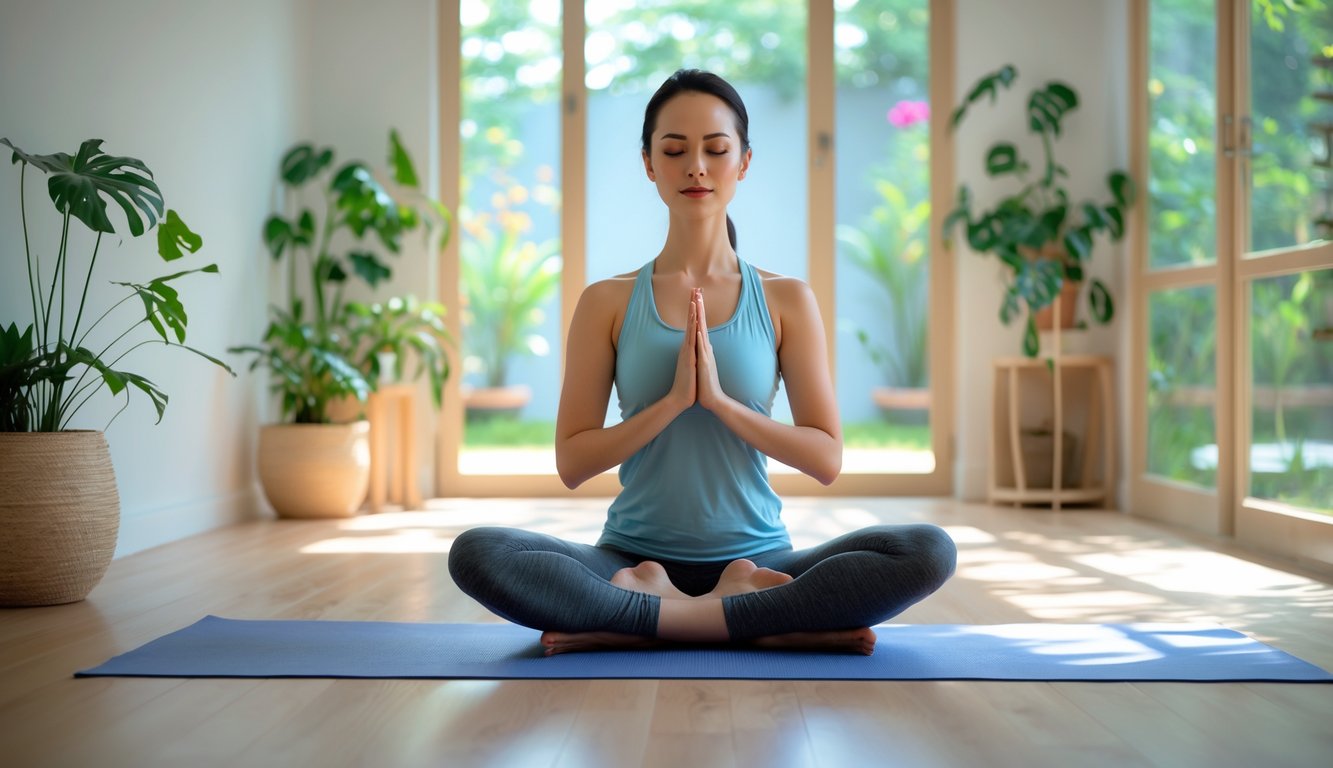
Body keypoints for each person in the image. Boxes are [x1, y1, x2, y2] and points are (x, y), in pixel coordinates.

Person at [449, 69, 956, 656]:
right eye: (674, 150)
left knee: (927, 550)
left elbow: (825, 457)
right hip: (628, 559)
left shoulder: (787, 298)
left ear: (742, 162)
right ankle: (747, 617)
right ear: (649, 163)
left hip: (759, 559)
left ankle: (645, 617)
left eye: (716, 150)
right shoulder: (606, 302)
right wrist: (670, 404)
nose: (696, 166)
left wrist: (718, 402)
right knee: (478, 552)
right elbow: (573, 461)